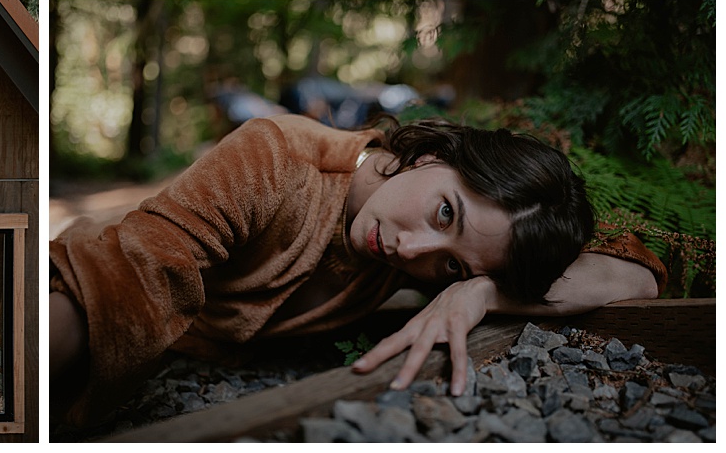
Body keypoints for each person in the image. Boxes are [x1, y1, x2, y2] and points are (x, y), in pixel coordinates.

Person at [49, 114, 663, 427]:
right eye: (444, 212)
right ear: (429, 155)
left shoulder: (426, 258)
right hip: (73, 282)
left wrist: (479, 291)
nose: (413, 251)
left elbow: (635, 272)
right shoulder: (278, 157)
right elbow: (137, 275)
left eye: (449, 262)